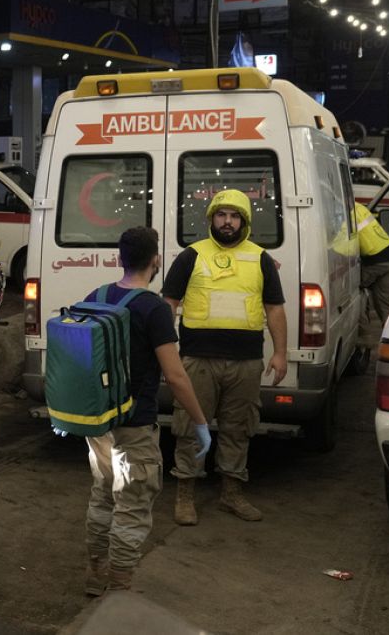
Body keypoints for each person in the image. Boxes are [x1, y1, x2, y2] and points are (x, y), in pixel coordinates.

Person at [78, 226, 211, 595]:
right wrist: (201, 422)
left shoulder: (97, 295)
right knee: (133, 505)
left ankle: (95, 574)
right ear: (156, 261)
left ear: (119, 258)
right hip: (135, 425)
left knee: (103, 495)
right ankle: (119, 586)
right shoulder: (154, 309)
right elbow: (175, 375)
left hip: (99, 424)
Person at [162, 189, 287, 526]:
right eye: (221, 215)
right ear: (211, 219)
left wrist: (280, 352)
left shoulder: (260, 258)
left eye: (234, 216)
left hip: (246, 362)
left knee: (238, 429)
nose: (227, 222)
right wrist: (166, 351)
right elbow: (168, 304)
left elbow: (274, 308)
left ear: (244, 221)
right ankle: (185, 493)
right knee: (190, 427)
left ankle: (231, 494)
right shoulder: (191, 256)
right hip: (197, 360)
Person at [354, 202, 389, 367]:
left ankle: (364, 344)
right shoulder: (357, 206)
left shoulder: (341, 212)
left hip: (378, 262)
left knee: (352, 290)